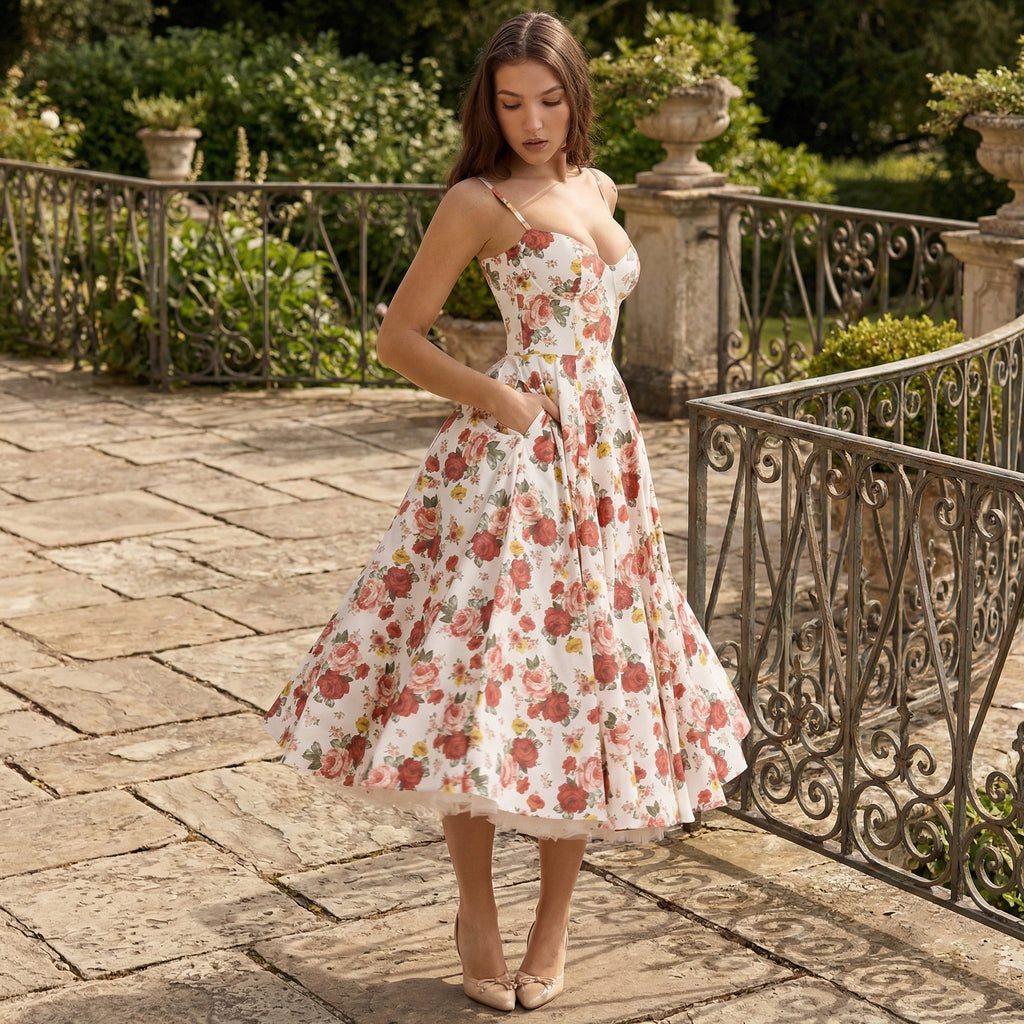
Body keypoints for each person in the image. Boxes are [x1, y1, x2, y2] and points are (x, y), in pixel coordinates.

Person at [264, 10, 750, 1013]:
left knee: (584, 685)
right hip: (510, 462)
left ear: (577, 96)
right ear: (488, 107)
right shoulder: (477, 202)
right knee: (481, 685)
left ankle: (554, 923)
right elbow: (399, 336)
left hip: (603, 463)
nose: (531, 120)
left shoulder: (600, 188)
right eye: (510, 101)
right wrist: (491, 394)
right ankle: (476, 909)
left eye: (549, 98)